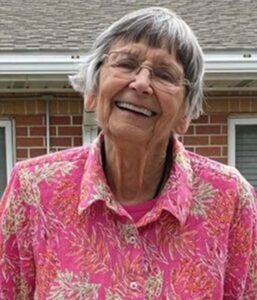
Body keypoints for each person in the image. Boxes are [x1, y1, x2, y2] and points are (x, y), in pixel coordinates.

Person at [0, 7, 257, 299]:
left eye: (164, 74)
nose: (141, 83)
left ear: (185, 113)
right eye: (126, 63)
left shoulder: (230, 199)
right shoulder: (33, 190)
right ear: (92, 90)